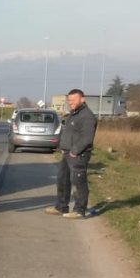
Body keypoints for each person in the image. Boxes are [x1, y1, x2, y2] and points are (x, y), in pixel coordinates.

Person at [46, 88, 97, 219]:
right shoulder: (73, 114)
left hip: (78, 155)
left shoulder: (87, 116)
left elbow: (87, 138)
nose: (71, 102)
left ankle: (80, 210)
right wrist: (63, 147)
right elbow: (69, 133)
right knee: (62, 180)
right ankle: (61, 206)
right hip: (67, 154)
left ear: (82, 99)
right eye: (69, 100)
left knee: (78, 182)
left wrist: (75, 151)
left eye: (73, 100)